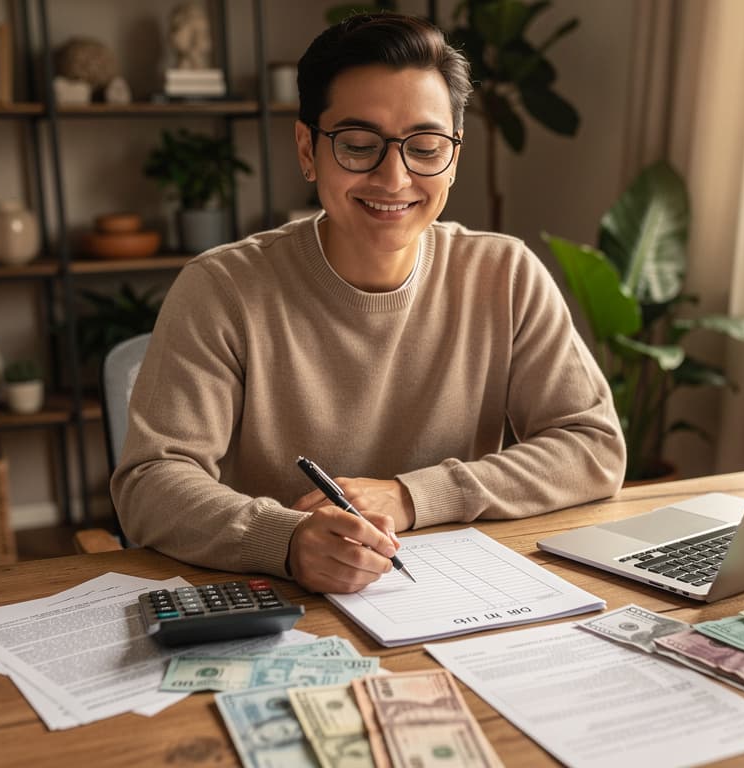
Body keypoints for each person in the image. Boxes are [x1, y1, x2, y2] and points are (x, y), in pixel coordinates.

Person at [112, 12, 626, 594]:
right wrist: (285, 540)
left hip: (454, 594)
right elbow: (151, 482)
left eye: (426, 148)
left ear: (454, 157)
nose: (394, 177)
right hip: (279, 600)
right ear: (308, 149)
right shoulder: (222, 288)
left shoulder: (503, 274)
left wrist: (414, 495)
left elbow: (593, 446)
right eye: (359, 146)